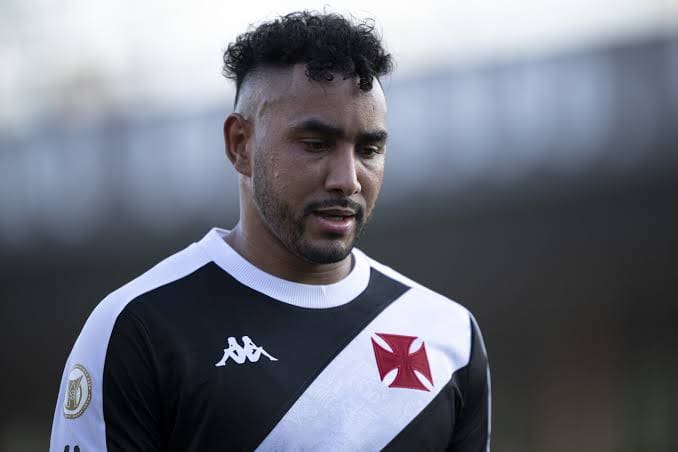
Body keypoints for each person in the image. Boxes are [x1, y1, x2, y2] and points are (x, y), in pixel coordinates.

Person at [50, 11, 491, 451]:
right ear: (240, 144)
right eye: (316, 145)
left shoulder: (449, 336)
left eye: (369, 149)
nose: (348, 179)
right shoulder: (138, 328)